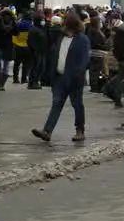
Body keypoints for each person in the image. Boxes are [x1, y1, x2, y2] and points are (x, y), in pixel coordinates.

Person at [32, 14, 90, 143]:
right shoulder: (61, 38)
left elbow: (84, 60)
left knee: (77, 105)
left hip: (74, 79)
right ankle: (47, 131)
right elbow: (55, 55)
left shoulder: (82, 40)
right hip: (59, 77)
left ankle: (80, 130)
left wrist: (78, 74)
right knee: (56, 103)